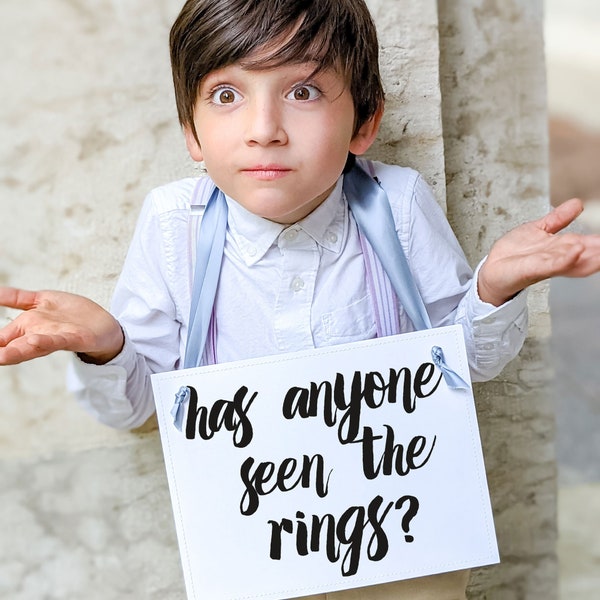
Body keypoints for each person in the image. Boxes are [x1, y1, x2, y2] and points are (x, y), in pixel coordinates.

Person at [1, 0, 599, 598]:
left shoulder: (398, 204)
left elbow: (458, 366)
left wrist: (493, 289)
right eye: (227, 95)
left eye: (305, 92)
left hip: (403, 549)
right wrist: (107, 348)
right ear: (192, 133)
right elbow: (132, 408)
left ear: (363, 125)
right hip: (249, 552)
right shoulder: (171, 226)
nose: (264, 128)